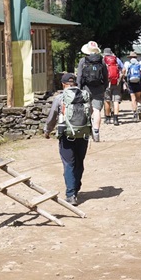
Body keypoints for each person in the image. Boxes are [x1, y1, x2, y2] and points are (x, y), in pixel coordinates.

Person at [44, 73, 89, 205]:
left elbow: (52, 116)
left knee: (69, 163)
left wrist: (47, 131)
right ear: (75, 83)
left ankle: (71, 194)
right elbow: (90, 112)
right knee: (79, 161)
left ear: (63, 84)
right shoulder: (85, 95)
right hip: (83, 133)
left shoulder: (60, 98)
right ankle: (76, 187)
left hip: (66, 135)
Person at [76, 40, 108, 142]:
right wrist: (105, 87)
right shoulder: (102, 61)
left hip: (86, 88)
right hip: (99, 88)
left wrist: (79, 88)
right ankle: (96, 131)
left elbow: (79, 76)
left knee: (87, 109)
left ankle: (86, 130)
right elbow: (106, 76)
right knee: (97, 110)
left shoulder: (83, 61)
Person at [123, 51, 141, 121]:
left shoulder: (127, 63)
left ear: (129, 57)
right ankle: (139, 107)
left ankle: (135, 114)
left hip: (130, 83)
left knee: (133, 98)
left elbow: (125, 74)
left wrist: (123, 83)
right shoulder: (140, 63)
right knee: (138, 97)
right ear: (136, 57)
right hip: (138, 82)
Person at [102, 48, 124, 126]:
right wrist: (120, 78)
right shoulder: (116, 59)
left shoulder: (103, 60)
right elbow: (123, 69)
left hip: (107, 83)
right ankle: (116, 119)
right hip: (116, 82)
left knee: (107, 100)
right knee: (116, 101)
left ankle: (108, 118)